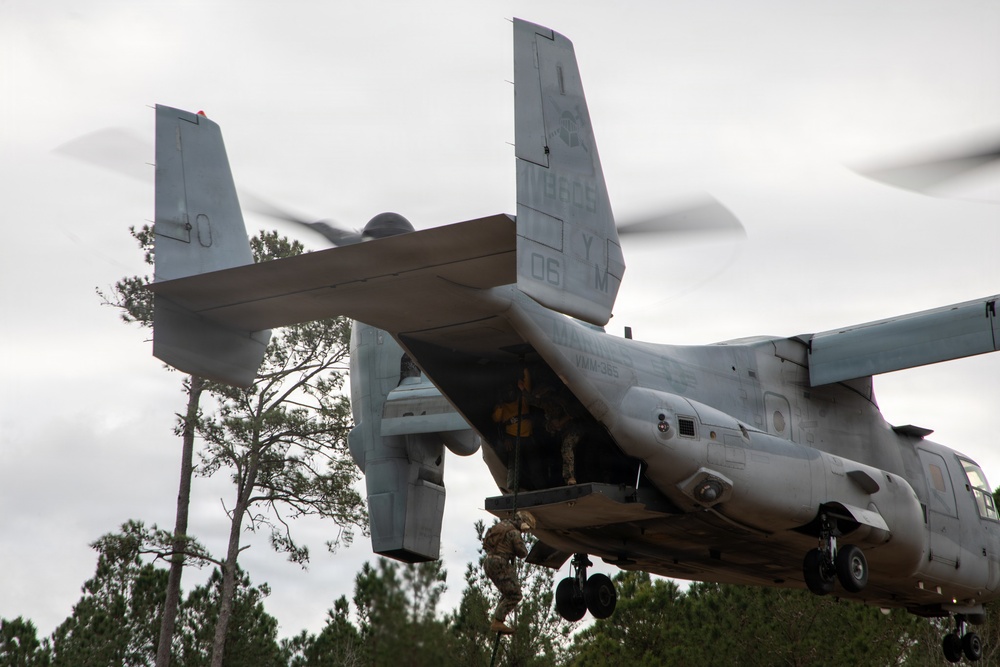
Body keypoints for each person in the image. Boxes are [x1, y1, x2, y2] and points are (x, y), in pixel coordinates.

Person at [482, 511, 535, 635]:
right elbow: (522, 552)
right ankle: (498, 621)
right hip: (500, 563)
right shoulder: (514, 532)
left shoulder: (502, 525)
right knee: (515, 595)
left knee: (507, 592)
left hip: (489, 562)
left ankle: (497, 619)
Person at [492, 369, 532, 491]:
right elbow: (496, 419)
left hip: (528, 438)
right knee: (514, 465)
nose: (509, 394)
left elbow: (528, 385)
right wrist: (499, 404)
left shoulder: (523, 400)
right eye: (506, 392)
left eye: (511, 391)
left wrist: (524, 370)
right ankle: (513, 488)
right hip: (513, 439)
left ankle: (538, 485)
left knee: (534, 464)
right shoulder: (502, 407)